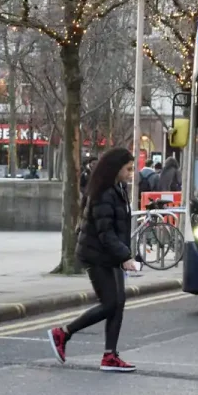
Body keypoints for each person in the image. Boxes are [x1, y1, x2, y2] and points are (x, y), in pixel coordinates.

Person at [47, 147, 139, 372]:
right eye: (128, 169)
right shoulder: (103, 193)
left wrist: (125, 253)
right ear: (116, 168)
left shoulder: (119, 188)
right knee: (109, 303)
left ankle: (110, 356)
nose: (131, 173)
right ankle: (63, 333)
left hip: (110, 254)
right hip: (96, 255)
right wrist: (125, 256)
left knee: (119, 303)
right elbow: (105, 232)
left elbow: (118, 229)